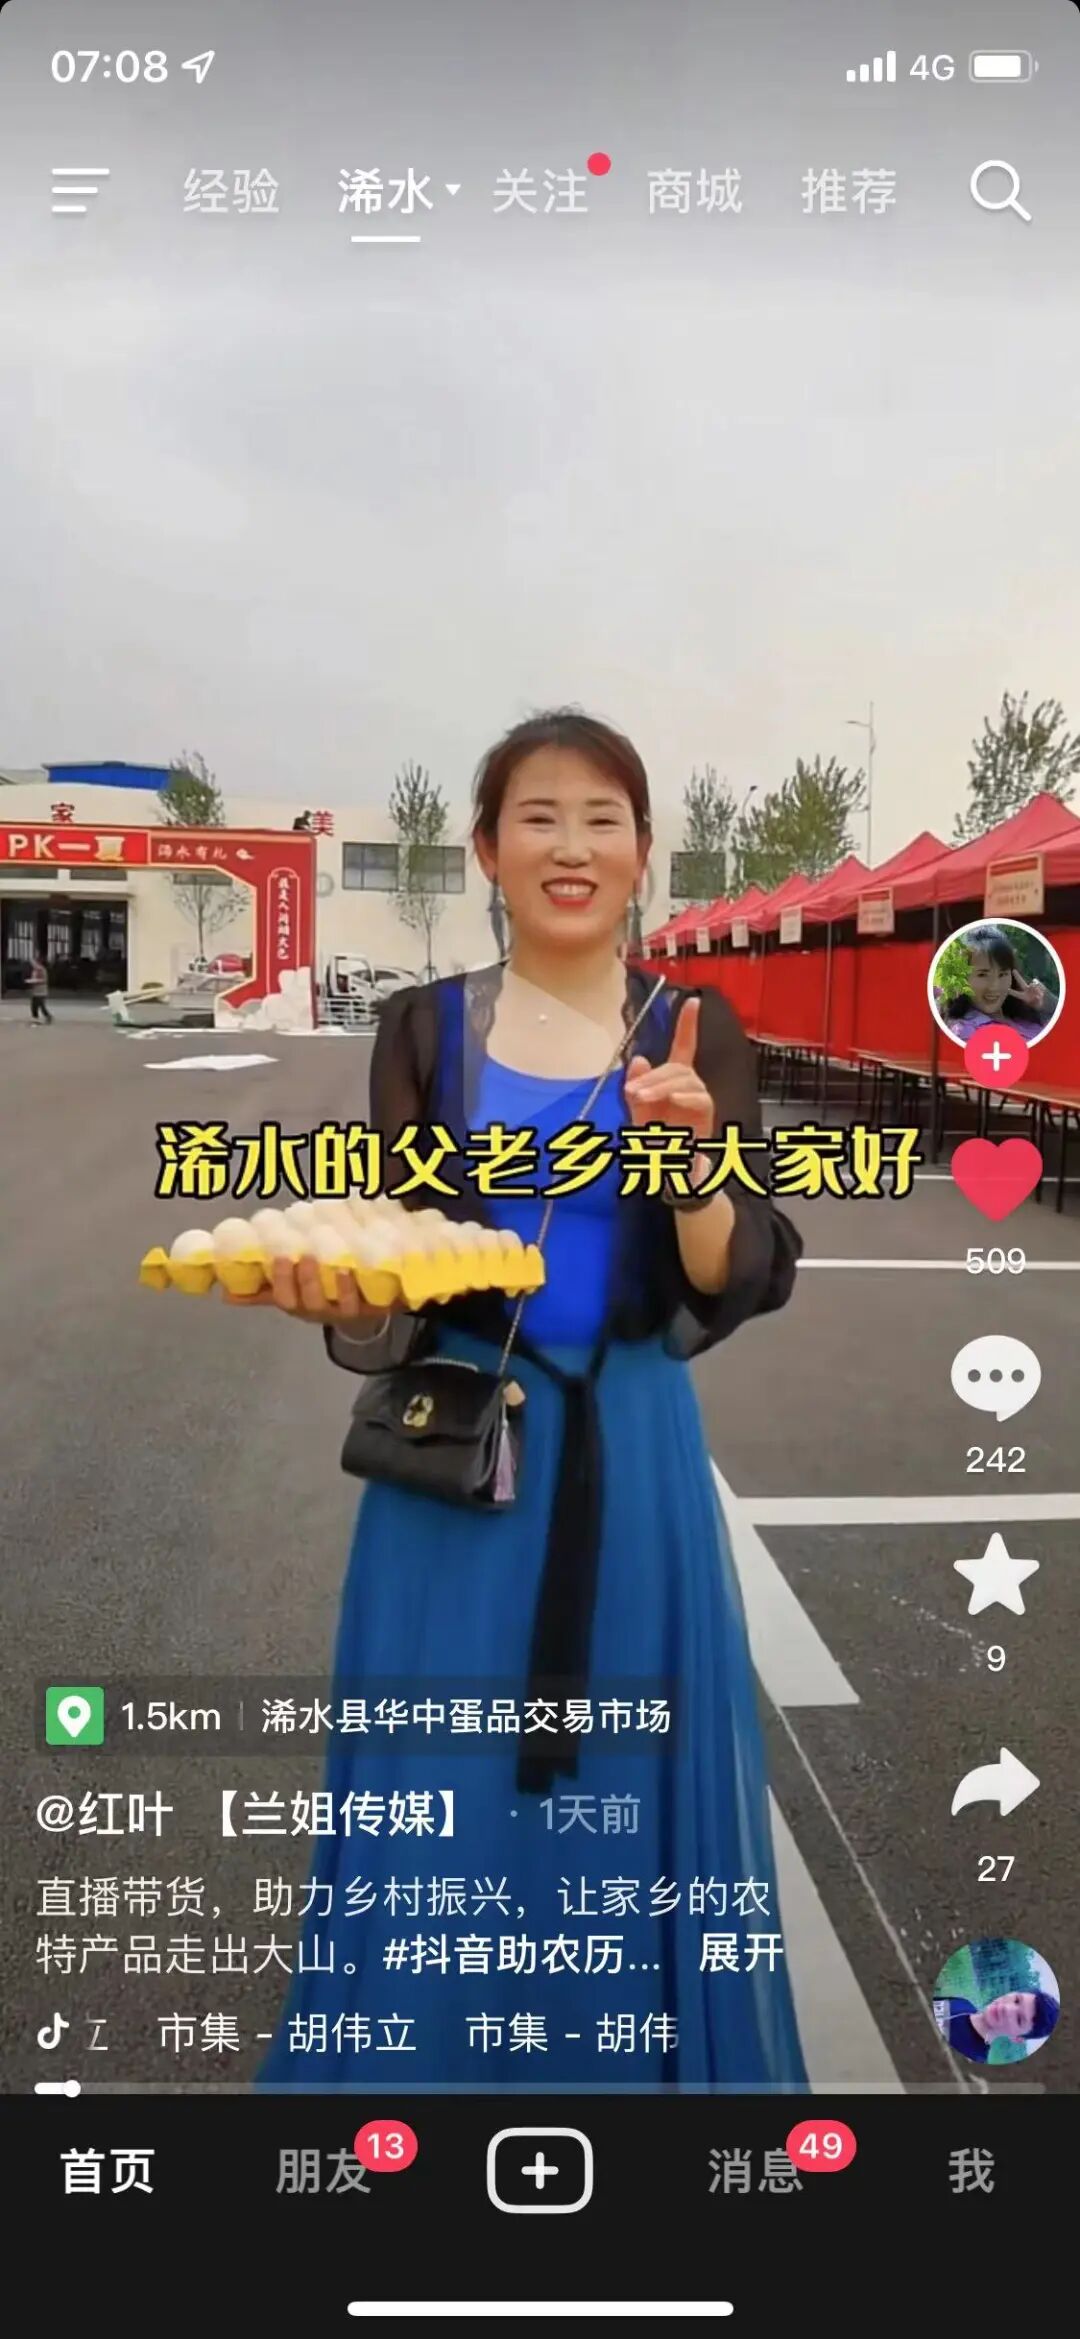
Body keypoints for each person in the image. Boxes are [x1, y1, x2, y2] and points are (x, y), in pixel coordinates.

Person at [237, 707, 808, 2091]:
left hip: (635, 1462)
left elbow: (734, 1270)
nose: (572, 845)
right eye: (538, 816)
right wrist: (343, 1298)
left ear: (643, 852)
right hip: (458, 1471)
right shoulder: (426, 1029)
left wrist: (690, 1161)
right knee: (442, 1797)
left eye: (603, 819)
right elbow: (401, 1265)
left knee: (627, 1786)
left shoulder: (695, 1030)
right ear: (487, 849)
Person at [936, 923, 1054, 1044]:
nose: (994, 986)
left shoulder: (1025, 1019)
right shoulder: (965, 1032)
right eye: (982, 975)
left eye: (1002, 974)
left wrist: (1041, 1007)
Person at [934, 1987, 1059, 2063]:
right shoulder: (962, 2003)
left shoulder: (973, 2058)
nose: (1006, 2008)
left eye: (1019, 2019)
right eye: (1016, 2000)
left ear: (1017, 2038)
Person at [27, 954, 53, 1024]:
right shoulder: (35, 970)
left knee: (41, 1006)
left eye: (33, 962)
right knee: (33, 1006)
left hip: (41, 991)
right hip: (35, 991)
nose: (32, 964)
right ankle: (35, 1018)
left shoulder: (41, 969)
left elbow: (43, 980)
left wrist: (34, 981)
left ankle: (48, 1016)